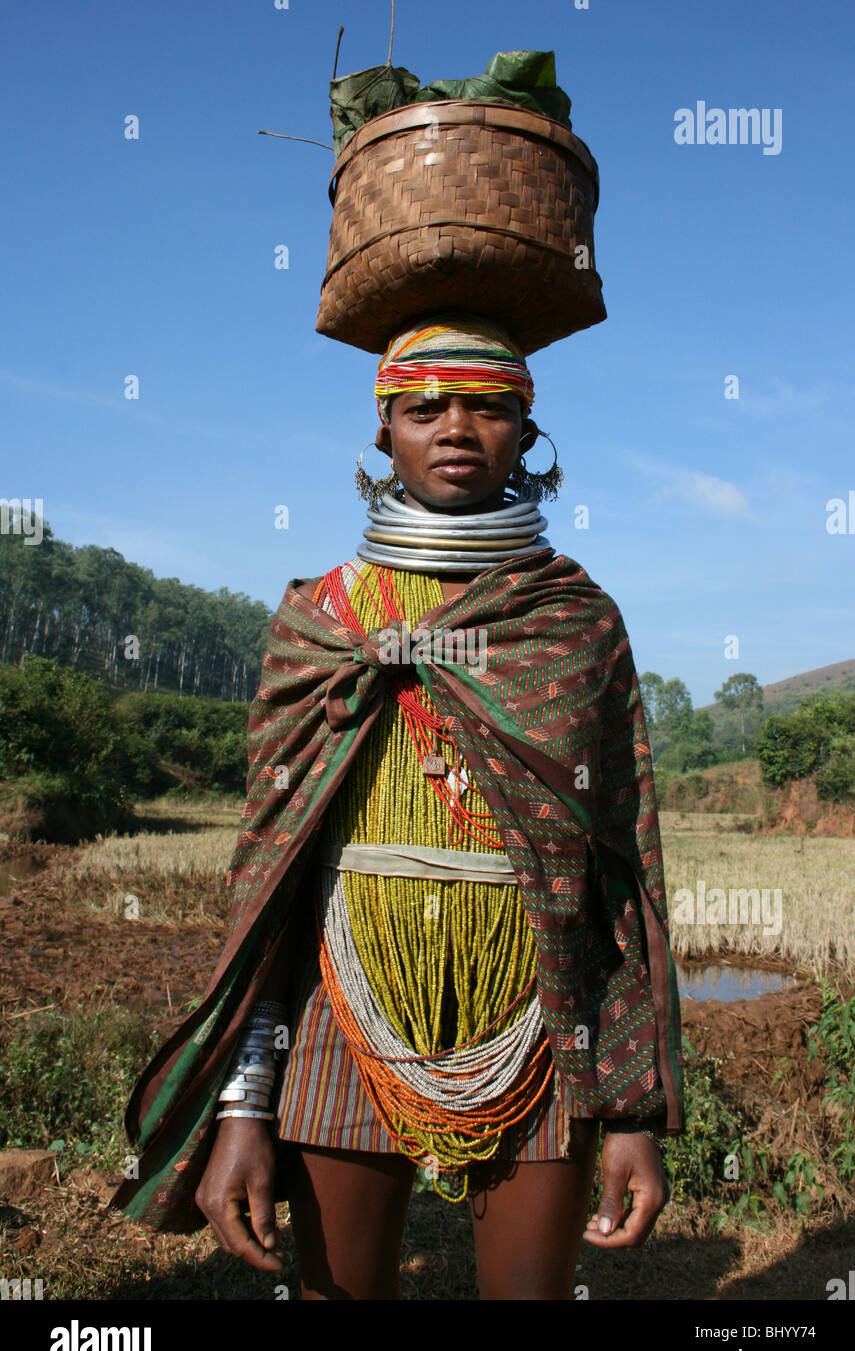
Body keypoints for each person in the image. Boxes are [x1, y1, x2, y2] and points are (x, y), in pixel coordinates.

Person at [113, 315, 684, 1301]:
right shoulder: (322, 622)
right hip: (340, 1005)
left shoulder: (571, 620)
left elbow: (618, 872)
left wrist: (630, 1110)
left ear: (526, 434)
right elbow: (272, 893)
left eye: (488, 407)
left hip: (537, 1018)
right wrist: (246, 1106)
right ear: (384, 434)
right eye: (424, 407)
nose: (455, 427)